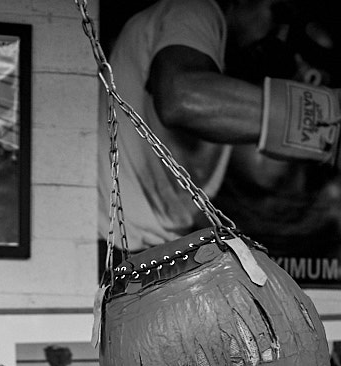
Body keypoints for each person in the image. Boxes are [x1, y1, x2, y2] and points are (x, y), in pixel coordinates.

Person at [97, 0, 341, 272]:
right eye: (276, 13)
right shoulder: (195, 9)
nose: (280, 33)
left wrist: (299, 94)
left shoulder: (221, 72)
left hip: (150, 249)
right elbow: (181, 97)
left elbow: (263, 171)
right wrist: (323, 117)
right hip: (116, 245)